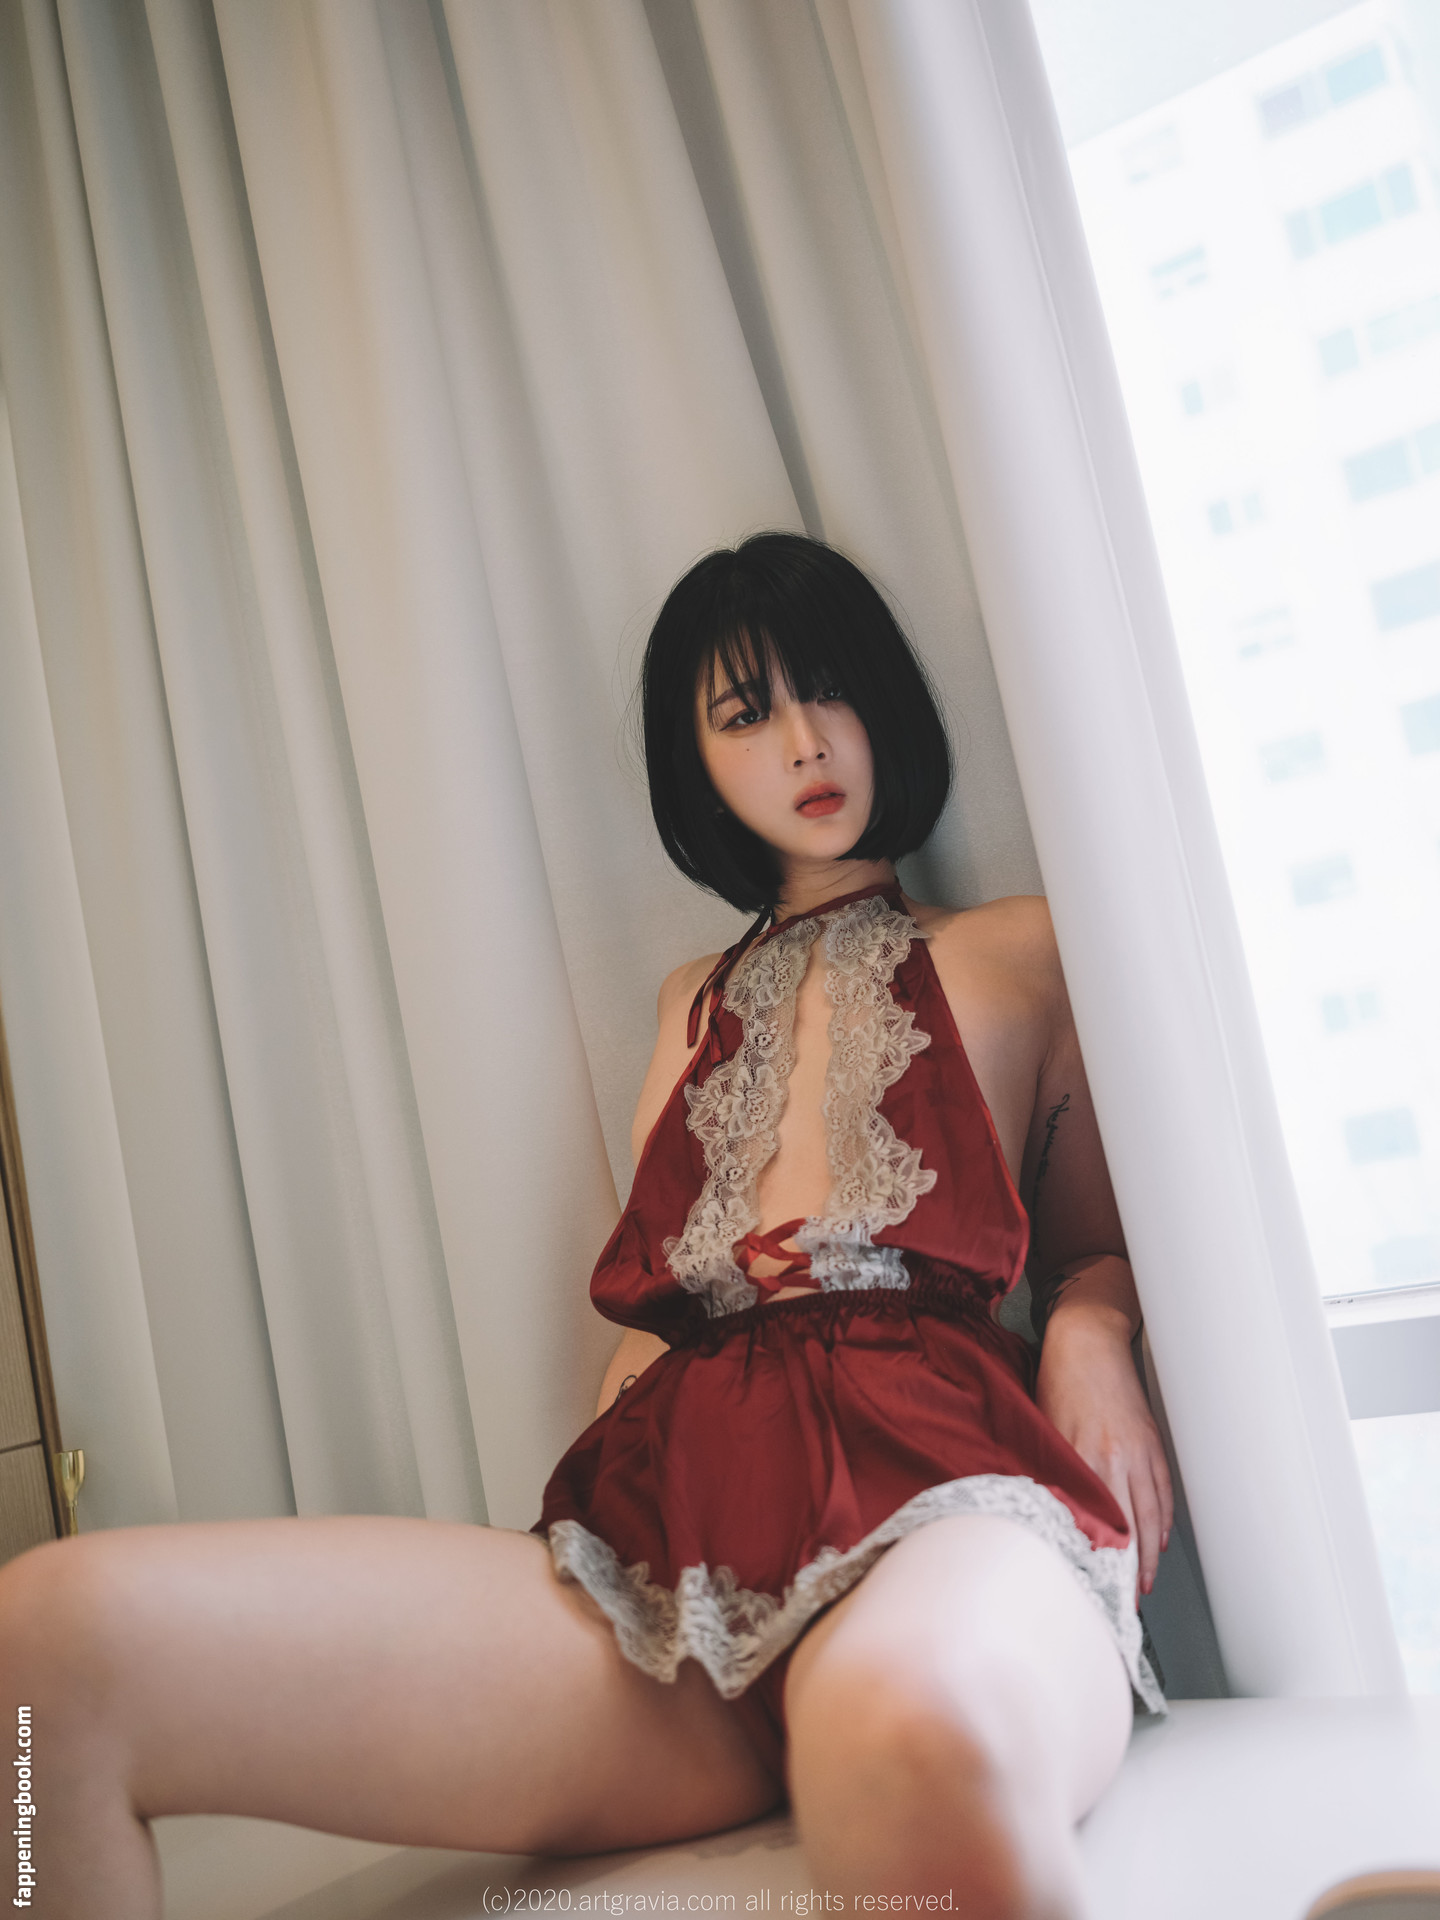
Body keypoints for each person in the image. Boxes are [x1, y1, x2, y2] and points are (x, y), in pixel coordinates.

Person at [0, 532, 1171, 1919]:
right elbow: (664, 1302)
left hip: (937, 1493)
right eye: (747, 714)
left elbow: (1094, 1245)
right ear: (699, 765)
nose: (805, 741)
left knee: (907, 1742)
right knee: (46, 1646)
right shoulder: (688, 1003)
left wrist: (1091, 1331)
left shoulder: (1021, 946)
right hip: (666, 1555)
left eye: (832, 690)